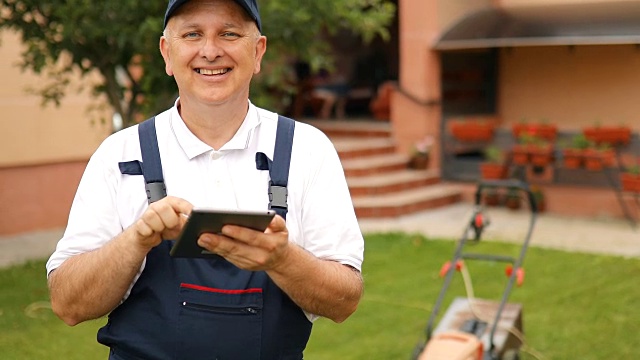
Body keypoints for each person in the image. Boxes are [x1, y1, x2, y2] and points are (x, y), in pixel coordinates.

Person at [45, 1, 364, 359]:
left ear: (258, 51)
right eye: (192, 34)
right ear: (167, 52)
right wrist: (135, 241)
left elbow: (345, 300)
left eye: (229, 33)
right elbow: (67, 303)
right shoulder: (119, 154)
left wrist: (282, 259)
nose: (210, 51)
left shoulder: (307, 151)